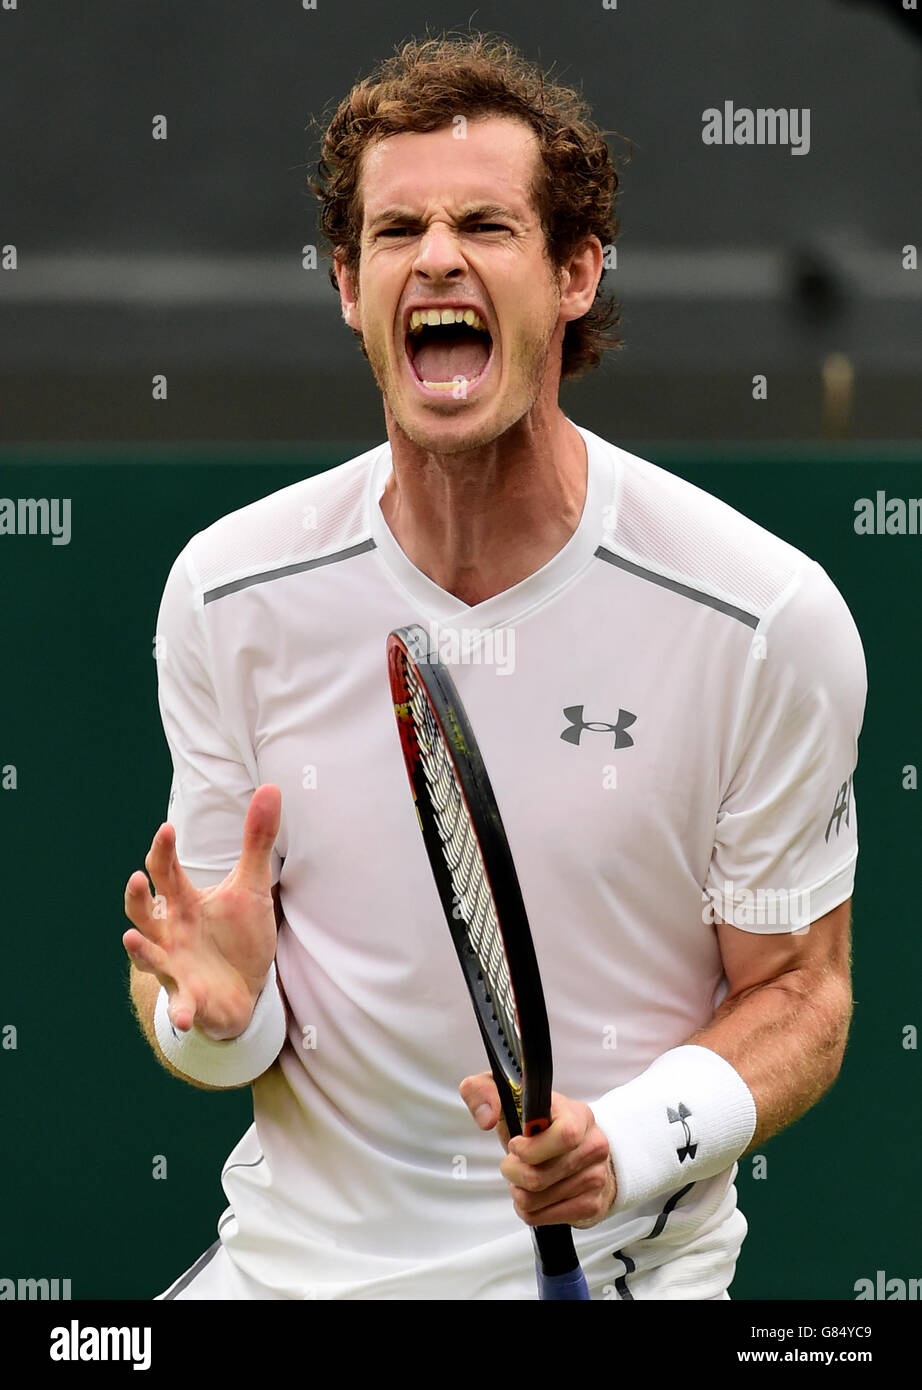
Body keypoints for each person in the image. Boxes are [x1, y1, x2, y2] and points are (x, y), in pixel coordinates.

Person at [123, 33, 866, 1301]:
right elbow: (214, 1026)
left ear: (576, 273)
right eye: (397, 231)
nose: (439, 257)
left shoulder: (763, 618)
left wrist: (620, 1148)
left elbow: (801, 994)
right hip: (288, 1271)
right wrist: (216, 1015)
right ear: (351, 286)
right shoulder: (224, 591)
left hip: (620, 1272)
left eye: (485, 223)